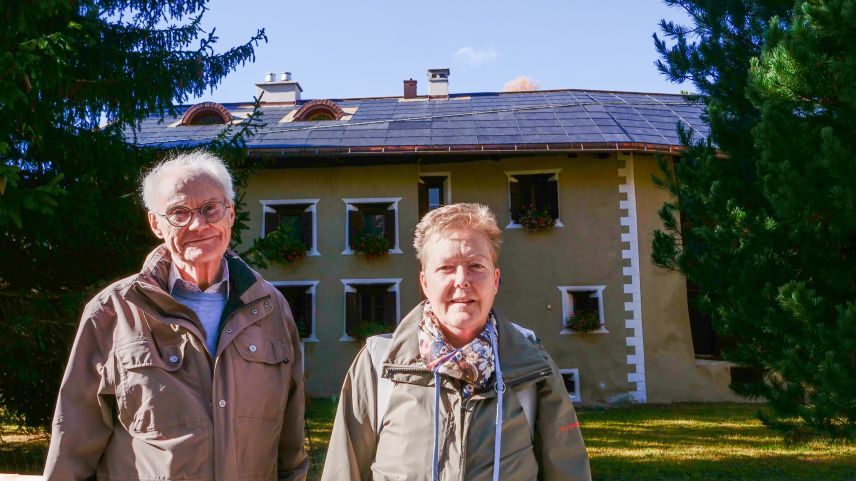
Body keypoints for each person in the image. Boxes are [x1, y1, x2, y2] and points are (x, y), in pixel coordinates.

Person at [43, 151, 308, 481]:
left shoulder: (271, 307)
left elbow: (291, 446)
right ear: (156, 223)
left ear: (230, 214)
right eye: (179, 213)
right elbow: (74, 443)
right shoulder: (114, 311)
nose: (199, 224)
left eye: (211, 209)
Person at [321, 203, 591, 481]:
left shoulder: (532, 365)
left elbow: (568, 471)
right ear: (425, 283)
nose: (462, 280)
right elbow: (343, 471)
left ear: (495, 280)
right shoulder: (379, 364)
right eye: (446, 268)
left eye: (476, 266)